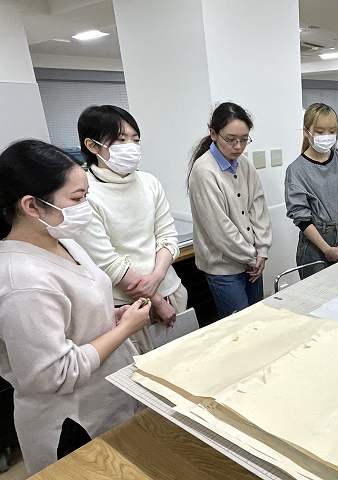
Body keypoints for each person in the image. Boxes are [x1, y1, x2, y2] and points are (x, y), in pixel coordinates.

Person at [0, 140, 151, 474]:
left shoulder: (63, 240)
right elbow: (54, 374)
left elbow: (77, 315)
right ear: (32, 205)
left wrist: (113, 316)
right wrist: (126, 328)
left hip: (107, 400)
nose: (86, 206)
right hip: (71, 424)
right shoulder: (22, 281)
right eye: (77, 198)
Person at [76, 105, 187, 353]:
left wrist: (157, 278)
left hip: (171, 290)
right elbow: (108, 262)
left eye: (135, 140)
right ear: (92, 146)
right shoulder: (84, 193)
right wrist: (154, 299)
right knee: (143, 371)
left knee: (185, 360)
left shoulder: (149, 182)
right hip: (126, 307)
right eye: (120, 140)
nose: (131, 146)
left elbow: (168, 237)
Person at [188, 102, 272, 319]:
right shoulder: (204, 171)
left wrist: (262, 250)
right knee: (240, 327)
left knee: (257, 320)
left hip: (253, 261)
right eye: (231, 139)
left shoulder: (245, 164)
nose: (238, 146)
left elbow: (258, 208)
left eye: (244, 139)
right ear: (213, 134)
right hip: (225, 269)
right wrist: (252, 257)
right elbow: (219, 229)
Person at [285, 103, 338, 279]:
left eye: (332, 131)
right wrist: (326, 249)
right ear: (307, 131)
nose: (326, 136)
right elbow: (301, 218)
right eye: (320, 132)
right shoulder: (296, 170)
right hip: (315, 245)